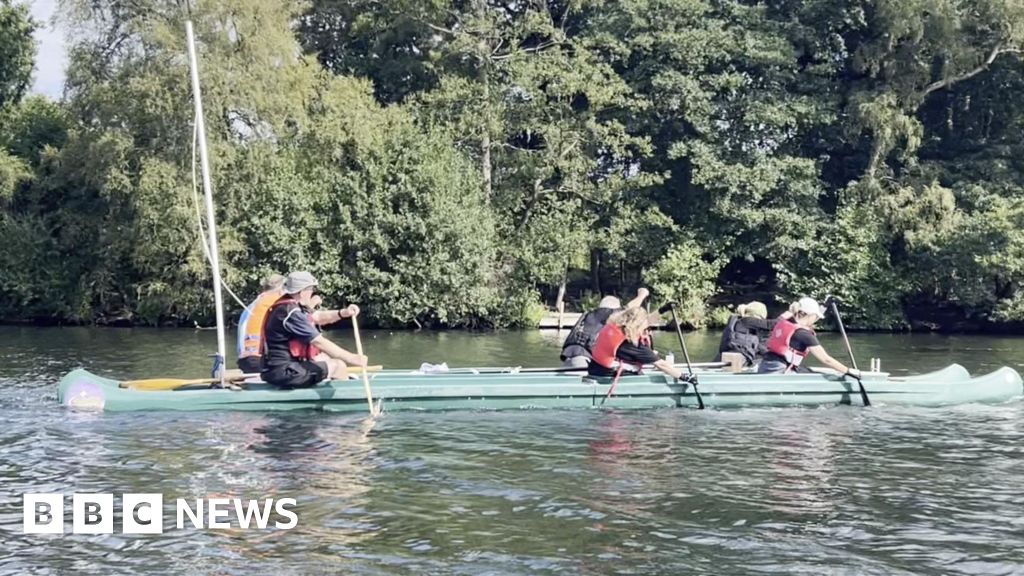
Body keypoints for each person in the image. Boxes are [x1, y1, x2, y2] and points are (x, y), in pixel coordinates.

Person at [260, 271, 368, 389]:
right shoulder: (290, 313)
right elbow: (318, 341)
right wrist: (351, 358)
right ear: (302, 292)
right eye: (311, 289)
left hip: (285, 369)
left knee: (326, 360)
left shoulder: (292, 306)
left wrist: (343, 313)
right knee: (338, 365)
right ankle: (348, 400)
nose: (312, 293)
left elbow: (317, 317)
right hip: (284, 372)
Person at [757, 297, 861, 377]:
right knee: (818, 376)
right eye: (815, 316)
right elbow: (826, 359)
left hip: (765, 366)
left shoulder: (785, 321)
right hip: (781, 371)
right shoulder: (804, 334)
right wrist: (848, 371)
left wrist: (826, 304)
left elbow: (809, 315)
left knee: (808, 371)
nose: (816, 319)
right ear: (809, 315)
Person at [588, 307, 691, 381]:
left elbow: (648, 320)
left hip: (595, 368)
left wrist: (663, 309)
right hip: (608, 375)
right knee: (645, 371)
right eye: (645, 327)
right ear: (637, 325)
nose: (647, 330)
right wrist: (684, 376)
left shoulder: (614, 326)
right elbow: (661, 365)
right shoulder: (631, 344)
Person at [560, 288, 651, 368]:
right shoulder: (604, 313)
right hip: (582, 360)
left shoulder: (589, 315)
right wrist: (642, 295)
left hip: (568, 358)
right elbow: (627, 310)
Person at [236, 273, 287, 373]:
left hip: (244, 361)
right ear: (281, 290)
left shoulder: (254, 304)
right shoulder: (275, 301)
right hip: (259, 360)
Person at [715, 301, 774, 367]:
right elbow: (769, 325)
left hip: (723, 356)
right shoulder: (748, 321)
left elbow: (758, 346)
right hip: (737, 358)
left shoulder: (739, 322)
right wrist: (787, 315)